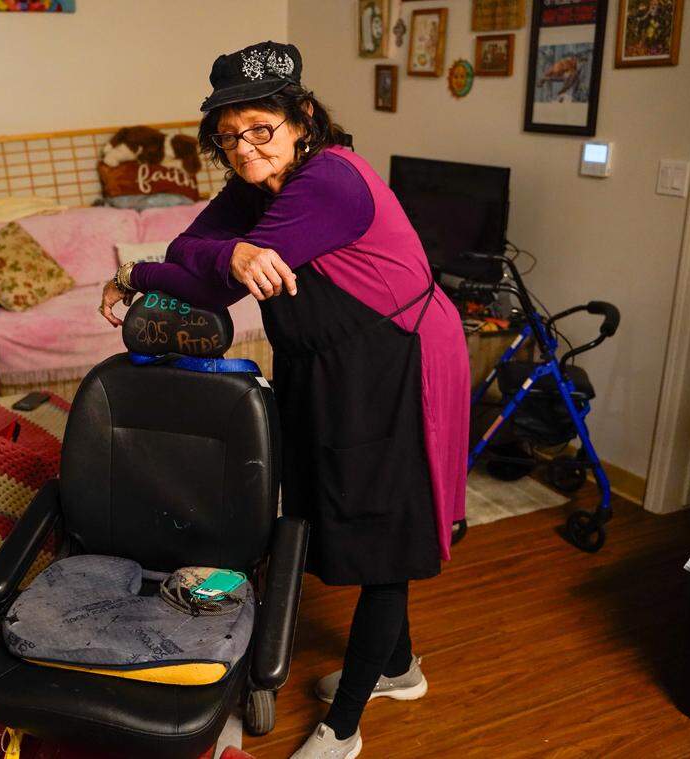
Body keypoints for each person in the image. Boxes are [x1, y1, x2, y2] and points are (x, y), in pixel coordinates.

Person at [99, 41, 469, 758]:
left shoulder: (328, 181)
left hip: (393, 356)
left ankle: (346, 727)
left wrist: (193, 265)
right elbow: (191, 249)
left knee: (383, 531)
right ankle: (399, 664)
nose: (244, 149)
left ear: (301, 118)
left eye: (260, 129)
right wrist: (163, 265)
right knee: (331, 503)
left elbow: (212, 284)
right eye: (228, 135)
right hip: (320, 360)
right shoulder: (254, 186)